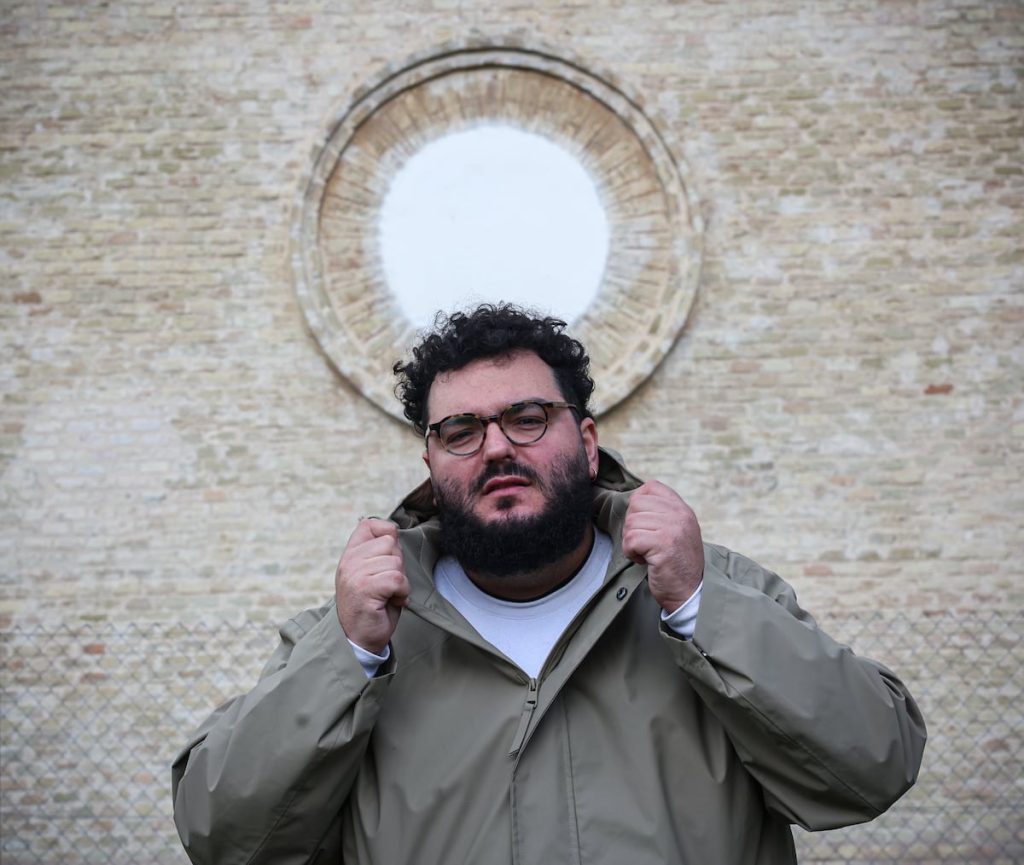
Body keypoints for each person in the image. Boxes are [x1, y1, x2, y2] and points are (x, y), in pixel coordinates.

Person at [172, 304, 926, 865]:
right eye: (460, 431)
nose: (496, 447)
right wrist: (349, 658)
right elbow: (222, 835)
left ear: (587, 442)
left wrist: (702, 609)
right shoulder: (350, 635)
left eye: (527, 417)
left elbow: (874, 765)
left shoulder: (713, 589)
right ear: (431, 463)